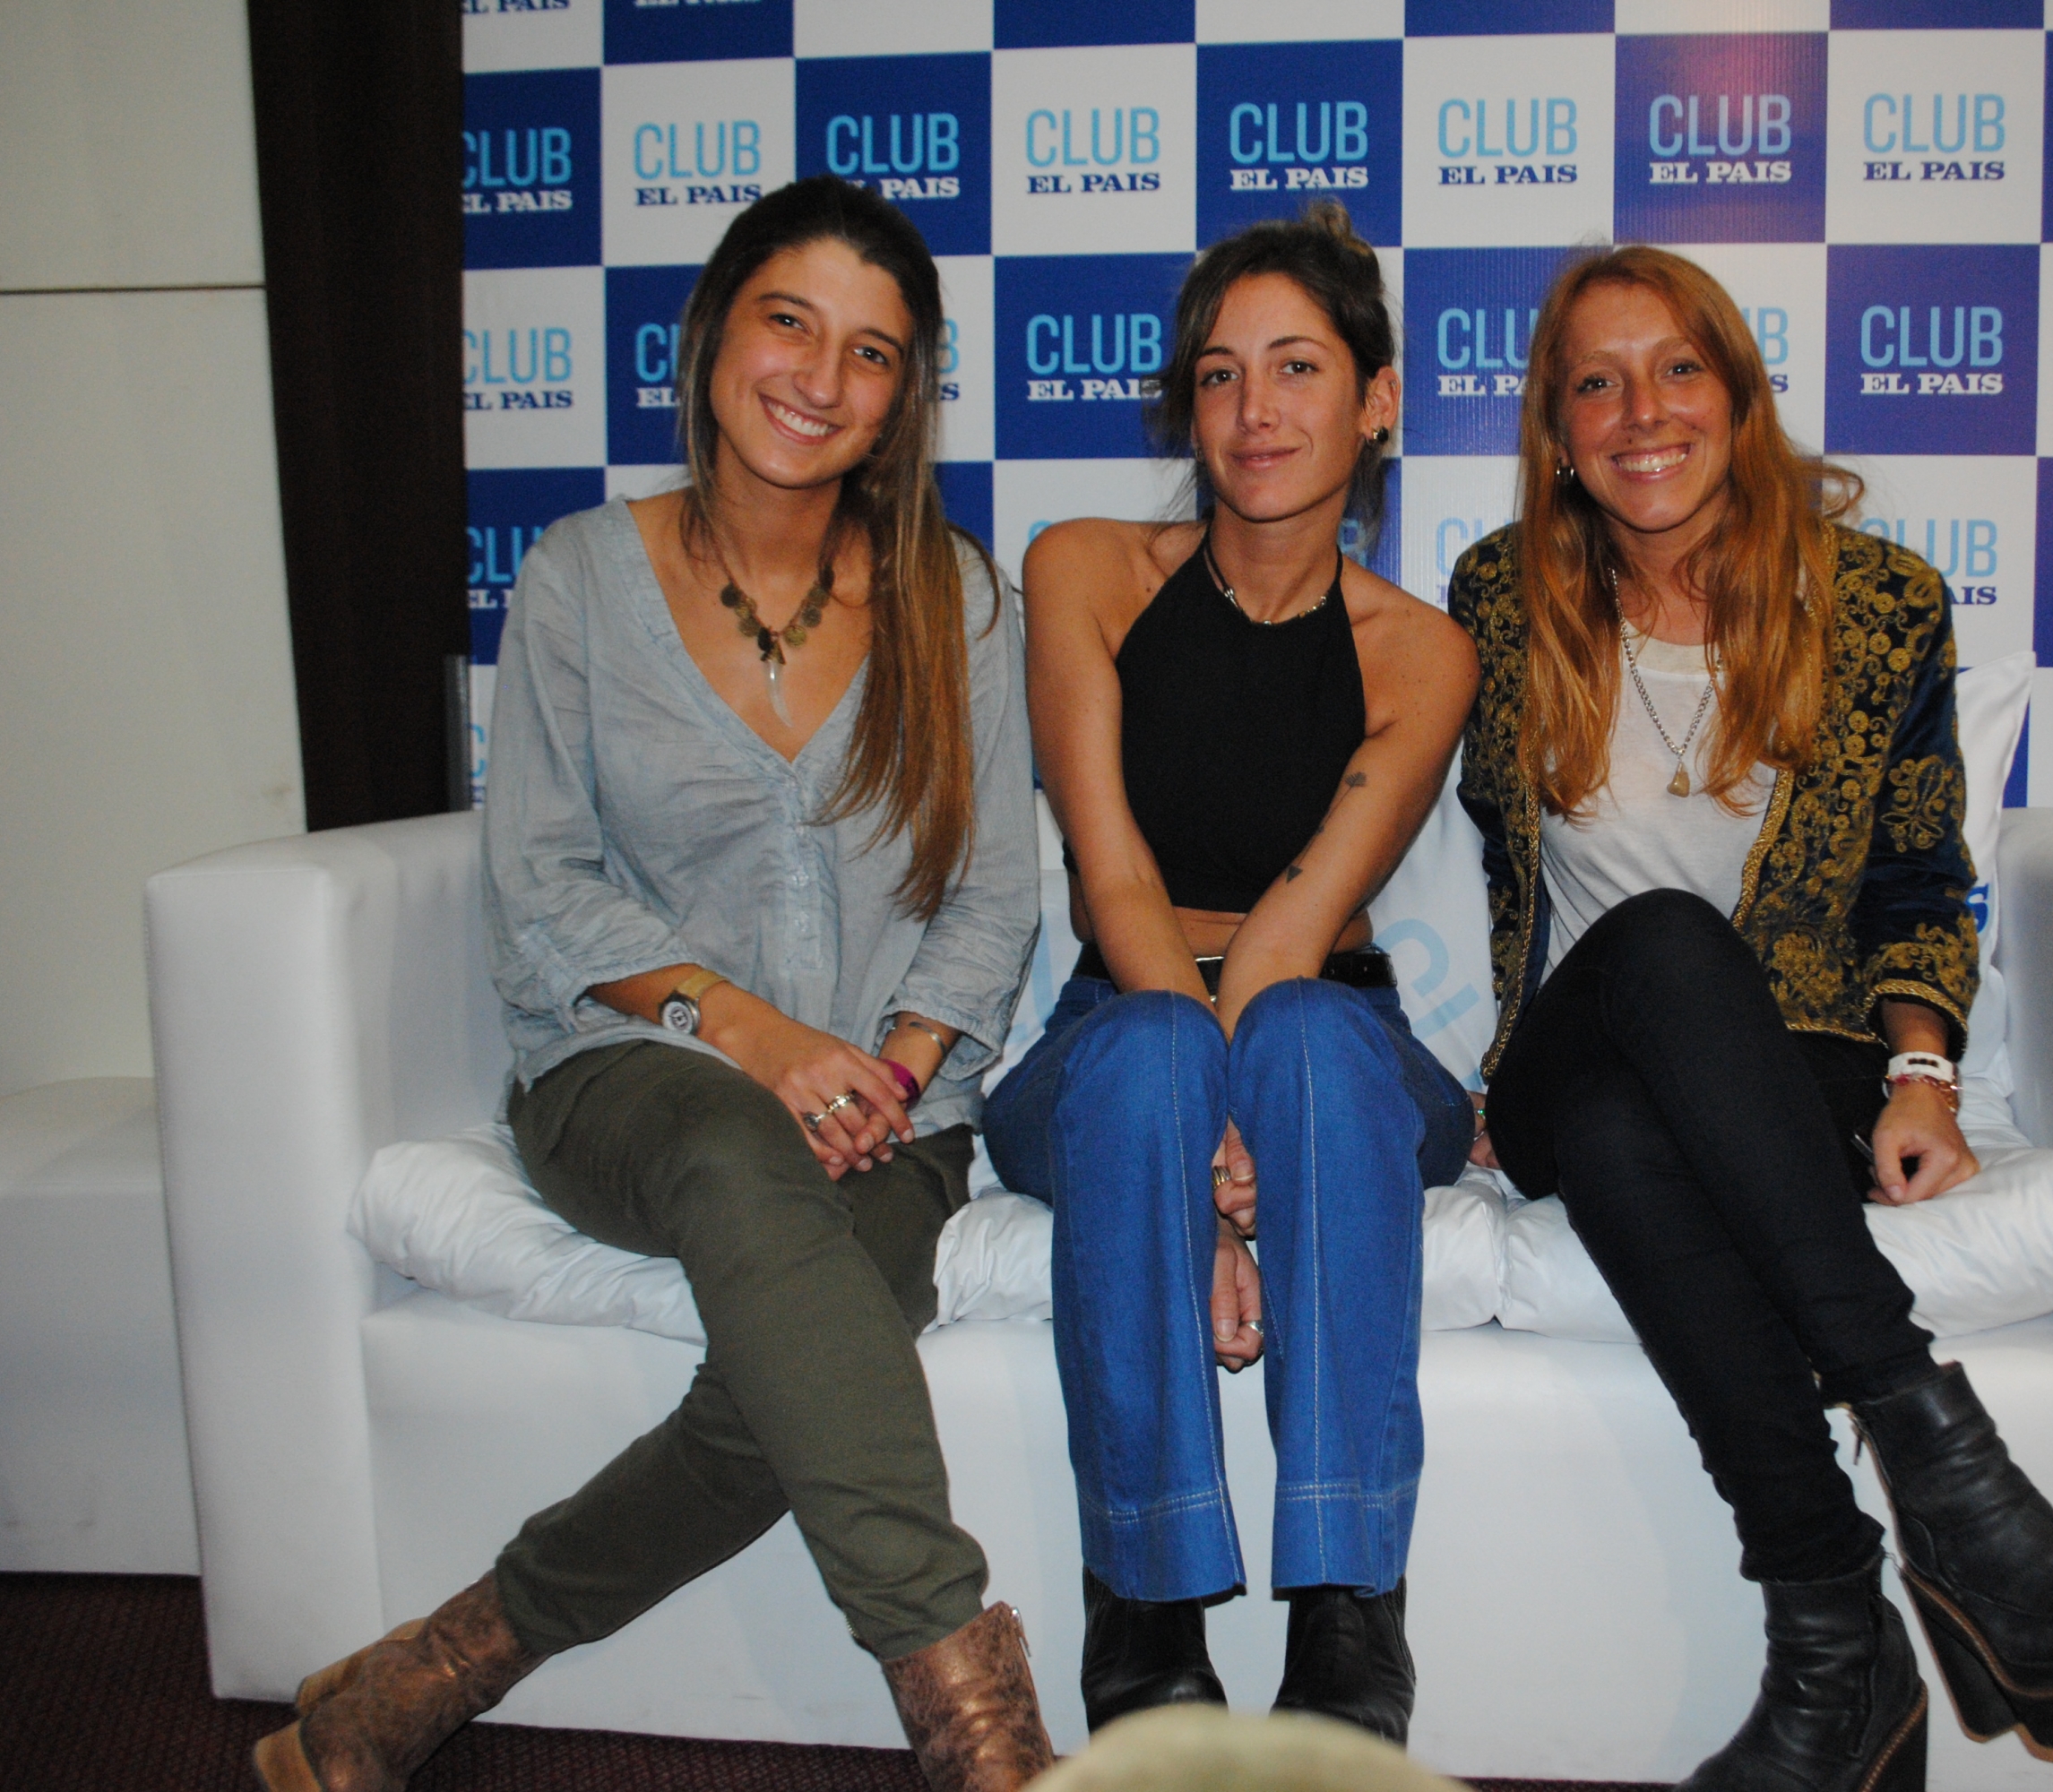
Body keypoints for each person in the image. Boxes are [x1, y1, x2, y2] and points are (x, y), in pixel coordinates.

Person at [252, 179, 1051, 1792]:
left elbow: (993, 895)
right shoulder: (575, 580)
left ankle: (435, 1667)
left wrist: (883, 1075)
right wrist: (761, 1046)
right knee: (732, 1152)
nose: (823, 377)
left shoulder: (956, 597)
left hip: (896, 1110)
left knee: (782, 1381)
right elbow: (540, 883)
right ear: (710, 334)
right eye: (789, 321)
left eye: (875, 352)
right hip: (628, 1079)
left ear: (906, 401)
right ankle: (983, 1733)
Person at [1450, 246, 2053, 1792]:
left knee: (1631, 1124)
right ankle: (1969, 1499)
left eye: (1678, 367)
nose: (1639, 411)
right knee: (1645, 976)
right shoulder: (1497, 597)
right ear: (1555, 428)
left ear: (1739, 396)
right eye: (1593, 383)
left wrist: (1924, 1073)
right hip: (1556, 1049)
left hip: (1781, 1058)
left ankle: (1836, 1651)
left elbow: (1921, 876)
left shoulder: (1877, 603)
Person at [986, 202, 1479, 1746]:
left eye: (1297, 369)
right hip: (1116, 1032)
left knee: (1311, 1035)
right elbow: (1114, 869)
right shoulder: (1080, 571)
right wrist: (1202, 1158)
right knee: (1149, 1054)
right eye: (1218, 375)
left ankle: (1348, 1613)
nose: (1253, 413)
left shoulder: (1422, 651)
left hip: (1330, 1032)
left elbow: (1294, 922)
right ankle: (1145, 1600)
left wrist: (1238, 1135)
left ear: (1377, 400)